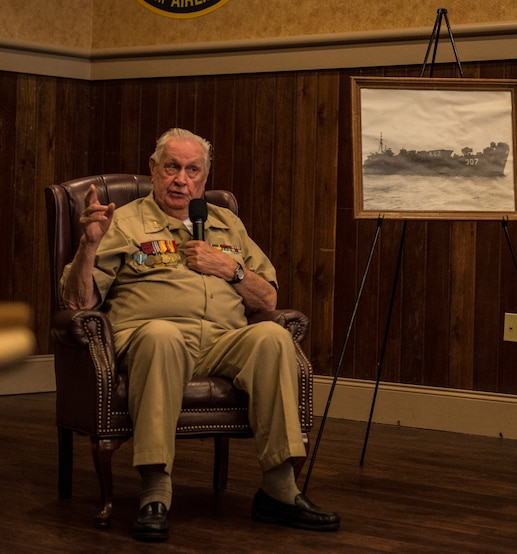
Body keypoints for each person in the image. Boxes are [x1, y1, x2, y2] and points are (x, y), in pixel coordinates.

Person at [60, 128, 340, 541]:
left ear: (205, 180)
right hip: (151, 338)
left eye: (193, 170)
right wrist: (88, 245)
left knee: (274, 338)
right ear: (153, 170)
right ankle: (155, 490)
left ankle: (279, 490)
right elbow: (78, 303)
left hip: (223, 342)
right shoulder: (124, 222)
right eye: (172, 167)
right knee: (162, 336)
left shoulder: (226, 223)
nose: (181, 179)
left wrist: (230, 269)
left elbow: (267, 298)